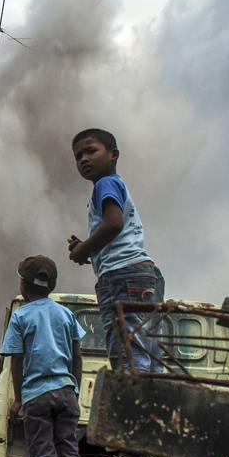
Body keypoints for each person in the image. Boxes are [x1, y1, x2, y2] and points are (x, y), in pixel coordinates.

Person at [67, 128, 165, 372]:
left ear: (113, 155)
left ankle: (130, 406)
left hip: (121, 276)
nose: (83, 160)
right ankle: (149, 404)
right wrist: (87, 246)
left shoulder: (104, 184)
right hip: (142, 273)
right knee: (148, 349)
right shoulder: (116, 185)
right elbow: (114, 231)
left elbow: (113, 224)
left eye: (91, 151)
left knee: (127, 353)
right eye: (78, 156)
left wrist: (83, 251)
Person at [0, 255, 85, 457]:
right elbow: (77, 357)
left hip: (37, 395)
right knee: (70, 453)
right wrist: (74, 388)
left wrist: (18, 399)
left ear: (24, 284)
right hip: (65, 391)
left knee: (43, 456)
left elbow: (16, 359)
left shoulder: (21, 316)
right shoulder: (66, 314)